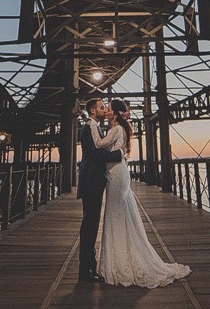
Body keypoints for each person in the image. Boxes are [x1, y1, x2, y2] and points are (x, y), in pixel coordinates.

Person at [93, 98, 191, 287]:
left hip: (116, 174)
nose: (107, 110)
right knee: (118, 213)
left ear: (116, 113)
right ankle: (120, 257)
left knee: (115, 214)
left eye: (109, 108)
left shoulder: (116, 129)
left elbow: (98, 145)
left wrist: (91, 126)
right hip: (118, 172)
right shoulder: (121, 129)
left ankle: (119, 261)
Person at [77, 98, 123, 283]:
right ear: (93, 111)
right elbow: (95, 154)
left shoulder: (94, 127)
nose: (105, 109)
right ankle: (85, 270)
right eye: (102, 107)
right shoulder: (90, 127)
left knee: (91, 223)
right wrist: (117, 155)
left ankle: (88, 267)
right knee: (90, 224)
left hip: (93, 180)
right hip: (91, 181)